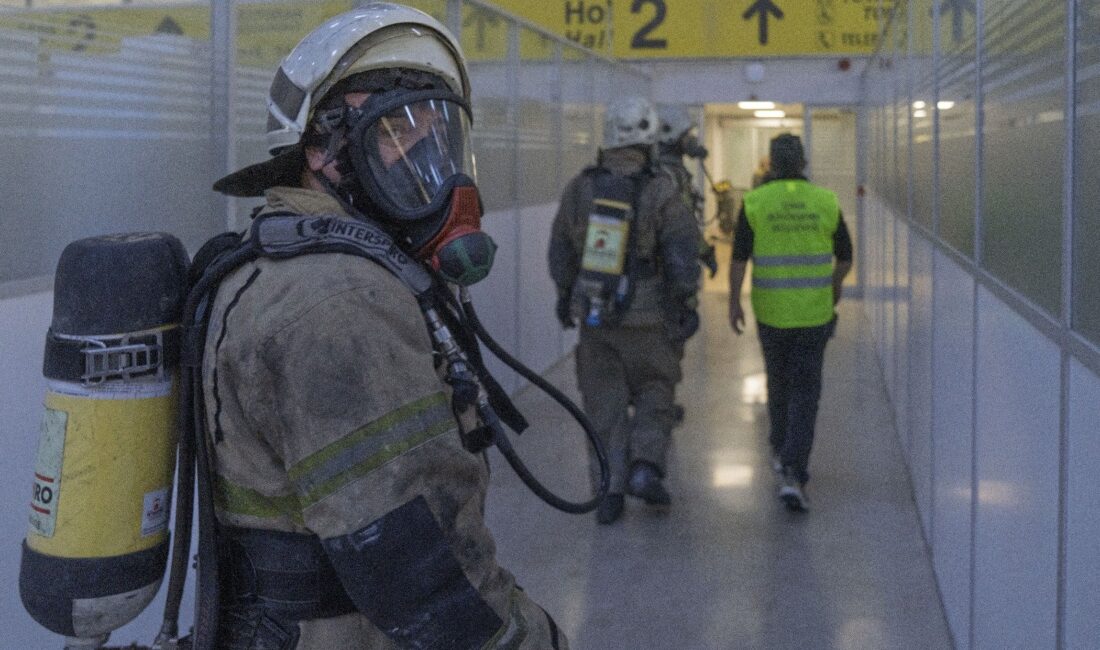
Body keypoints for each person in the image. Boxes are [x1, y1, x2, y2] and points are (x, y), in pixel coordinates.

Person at [203, 4, 567, 647]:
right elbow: (422, 571)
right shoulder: (337, 303)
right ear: (320, 149)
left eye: (439, 134)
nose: (428, 162)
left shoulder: (287, 264)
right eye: (396, 133)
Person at [549, 95, 700, 525]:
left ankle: (608, 492)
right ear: (650, 139)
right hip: (651, 319)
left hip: (596, 318)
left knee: (603, 404)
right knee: (656, 389)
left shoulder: (581, 187)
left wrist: (567, 297)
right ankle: (645, 467)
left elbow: (559, 249)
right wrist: (684, 303)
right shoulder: (662, 189)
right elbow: (681, 254)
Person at [727, 134, 853, 513]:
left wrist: (733, 302)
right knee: (806, 390)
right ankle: (794, 471)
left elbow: (738, 260)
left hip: (771, 313)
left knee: (778, 382)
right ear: (803, 162)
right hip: (814, 314)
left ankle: (782, 449)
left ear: (771, 164)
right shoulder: (826, 201)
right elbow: (846, 258)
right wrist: (833, 288)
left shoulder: (755, 202)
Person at [656, 103, 718, 279]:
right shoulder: (669, 176)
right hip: (671, 263)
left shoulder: (671, 172)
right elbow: (684, 224)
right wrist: (705, 253)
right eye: (686, 135)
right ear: (671, 137)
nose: (691, 140)